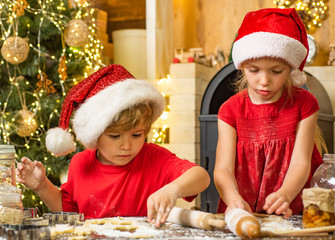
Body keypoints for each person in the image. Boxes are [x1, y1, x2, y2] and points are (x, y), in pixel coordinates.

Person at [16, 64, 210, 227]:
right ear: (95, 135)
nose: (127, 145)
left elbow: (201, 177)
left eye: (136, 134)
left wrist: (172, 189)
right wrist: (41, 186)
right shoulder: (80, 163)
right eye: (115, 136)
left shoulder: (153, 157)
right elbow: (66, 209)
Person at [213, 8, 325, 218]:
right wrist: (233, 198)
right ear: (242, 66)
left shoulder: (305, 104)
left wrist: (285, 194)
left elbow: (301, 163)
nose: (264, 81)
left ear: (290, 68)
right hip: (242, 210)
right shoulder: (230, 109)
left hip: (290, 207)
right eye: (254, 70)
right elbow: (223, 170)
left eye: (276, 71)